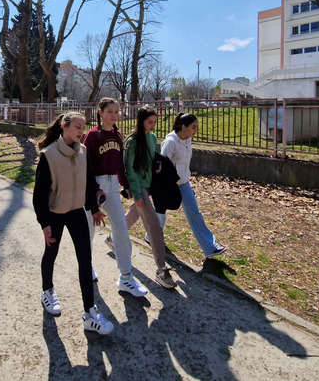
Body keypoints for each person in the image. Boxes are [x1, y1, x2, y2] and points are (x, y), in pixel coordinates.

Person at [33, 111, 114, 335]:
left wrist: (95, 209)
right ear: (65, 127)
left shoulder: (84, 152)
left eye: (84, 127)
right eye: (78, 127)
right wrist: (44, 223)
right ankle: (47, 291)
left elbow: (88, 183)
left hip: (77, 212)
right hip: (55, 214)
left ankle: (89, 313)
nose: (82, 131)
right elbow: (38, 195)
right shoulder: (49, 155)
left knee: (85, 260)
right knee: (51, 253)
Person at [82, 98, 149, 297]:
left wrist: (126, 184)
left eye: (116, 111)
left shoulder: (117, 134)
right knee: (89, 231)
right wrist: (93, 189)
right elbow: (86, 166)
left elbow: (119, 163)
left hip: (112, 186)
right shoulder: (92, 136)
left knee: (120, 228)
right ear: (100, 112)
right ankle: (87, 266)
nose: (114, 115)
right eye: (110, 111)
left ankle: (126, 277)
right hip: (94, 185)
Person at [122, 105, 178, 289]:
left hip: (150, 184)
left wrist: (157, 167)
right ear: (141, 121)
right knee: (154, 225)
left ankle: (114, 239)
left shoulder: (152, 138)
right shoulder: (132, 142)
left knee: (134, 214)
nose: (153, 125)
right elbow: (129, 169)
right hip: (139, 187)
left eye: (155, 122)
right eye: (149, 122)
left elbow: (151, 157)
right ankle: (161, 269)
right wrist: (136, 193)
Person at [160, 113, 228, 259]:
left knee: (194, 214)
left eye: (196, 127)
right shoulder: (170, 142)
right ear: (183, 127)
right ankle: (152, 236)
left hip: (184, 184)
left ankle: (210, 247)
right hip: (169, 185)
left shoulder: (188, 139)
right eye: (193, 127)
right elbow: (162, 164)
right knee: (160, 213)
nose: (195, 130)